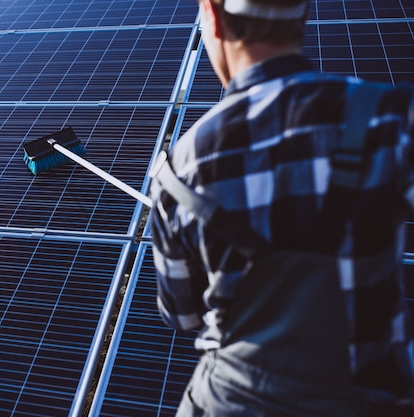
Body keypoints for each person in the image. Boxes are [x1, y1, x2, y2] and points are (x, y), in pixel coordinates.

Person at [148, 0, 414, 415]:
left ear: (213, 17)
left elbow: (182, 315)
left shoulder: (180, 167)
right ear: (302, 16)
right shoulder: (391, 117)